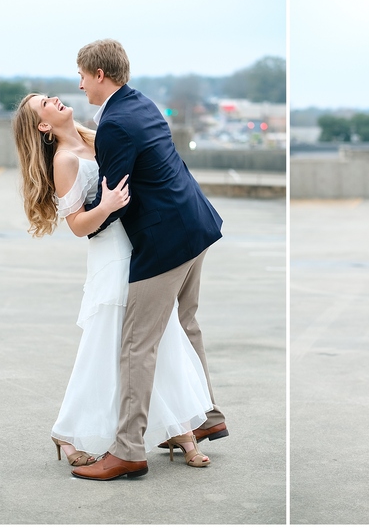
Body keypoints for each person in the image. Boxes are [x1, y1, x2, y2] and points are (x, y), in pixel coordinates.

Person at [13, 93, 214, 471]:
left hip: (142, 247)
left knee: (162, 335)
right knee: (105, 347)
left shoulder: (96, 138)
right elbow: (76, 225)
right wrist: (105, 206)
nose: (54, 99)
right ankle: (68, 432)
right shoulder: (65, 160)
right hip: (112, 256)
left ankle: (180, 427)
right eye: (44, 104)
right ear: (43, 125)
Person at [70, 39, 225, 481]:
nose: (80, 85)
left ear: (100, 74)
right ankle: (206, 416)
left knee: (136, 345)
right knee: (185, 324)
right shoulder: (141, 104)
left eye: (82, 76)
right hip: (196, 224)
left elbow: (114, 195)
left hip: (165, 243)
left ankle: (127, 450)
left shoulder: (115, 123)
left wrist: (80, 220)